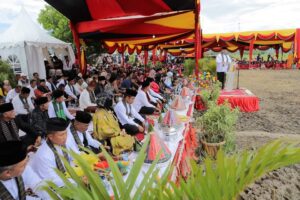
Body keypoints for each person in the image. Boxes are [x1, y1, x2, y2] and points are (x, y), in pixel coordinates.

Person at [30, 118, 74, 187]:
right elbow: (52, 180)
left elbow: (73, 158)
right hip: (48, 187)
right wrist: (77, 181)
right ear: (50, 136)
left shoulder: (64, 143)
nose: (65, 137)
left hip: (67, 179)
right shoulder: (44, 155)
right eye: (61, 135)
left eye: (66, 133)